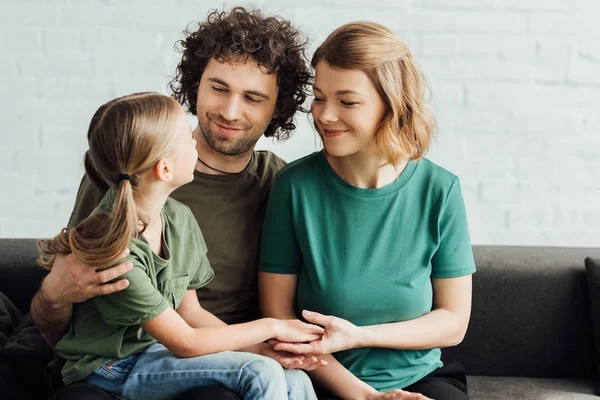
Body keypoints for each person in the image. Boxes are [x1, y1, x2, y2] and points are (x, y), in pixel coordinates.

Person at [30, 8, 325, 400]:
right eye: (219, 88)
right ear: (195, 85)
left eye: (253, 98)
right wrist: (54, 293)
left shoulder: (272, 187)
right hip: (121, 360)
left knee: (286, 380)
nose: (230, 111)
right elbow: (62, 321)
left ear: (277, 108)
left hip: (207, 346)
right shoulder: (120, 177)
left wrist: (268, 345)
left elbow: (191, 313)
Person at [258, 21, 476, 400]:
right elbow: (280, 323)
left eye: (347, 101)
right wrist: (364, 396)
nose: (324, 115)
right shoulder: (294, 187)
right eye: (320, 97)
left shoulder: (440, 190)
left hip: (421, 379)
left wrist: (361, 335)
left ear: (391, 105)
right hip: (320, 380)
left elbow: (453, 323)